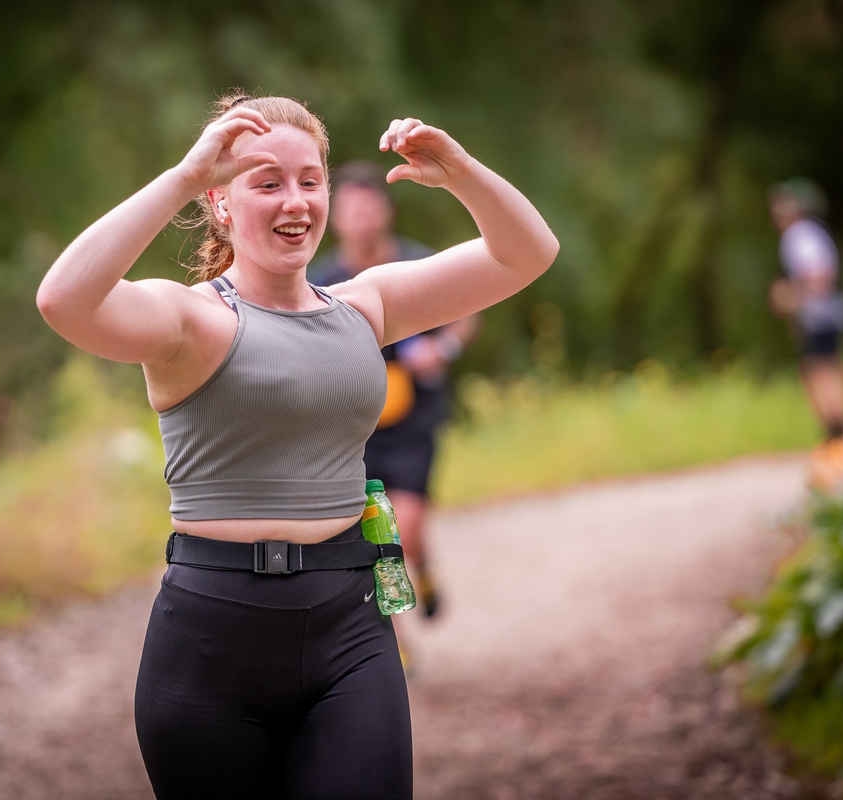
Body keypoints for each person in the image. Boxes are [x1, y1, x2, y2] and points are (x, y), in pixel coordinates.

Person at [36, 89, 558, 799]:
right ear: (221, 202)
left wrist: (463, 172)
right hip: (210, 646)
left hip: (351, 629)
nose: (296, 201)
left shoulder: (366, 306)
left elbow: (528, 253)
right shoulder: (188, 319)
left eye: (311, 181)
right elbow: (63, 299)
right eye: (267, 183)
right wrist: (184, 177)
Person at [310, 161, 480, 621]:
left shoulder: (419, 263)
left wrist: (441, 349)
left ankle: (423, 567)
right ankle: (395, 644)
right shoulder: (320, 279)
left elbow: (469, 313)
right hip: (354, 429)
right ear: (334, 216)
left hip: (414, 420)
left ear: (387, 211)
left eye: (369, 207)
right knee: (371, 539)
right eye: (351, 209)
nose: (361, 218)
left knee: (406, 528)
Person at [767, 177, 843, 486]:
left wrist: (792, 297)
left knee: (820, 373)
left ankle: (839, 440)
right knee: (831, 368)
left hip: (820, 315)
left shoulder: (800, 235)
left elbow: (819, 275)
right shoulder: (813, 232)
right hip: (828, 312)